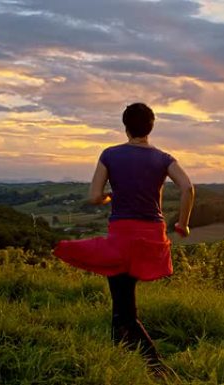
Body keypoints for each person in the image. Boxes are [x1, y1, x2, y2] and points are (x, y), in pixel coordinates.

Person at [53, 102, 195, 373]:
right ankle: (120, 360)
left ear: (125, 126)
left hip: (121, 238)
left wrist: (110, 196)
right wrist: (183, 224)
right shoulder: (164, 158)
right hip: (152, 239)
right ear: (151, 127)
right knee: (123, 303)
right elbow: (188, 187)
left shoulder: (110, 155)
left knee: (123, 308)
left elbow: (94, 197)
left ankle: (157, 369)